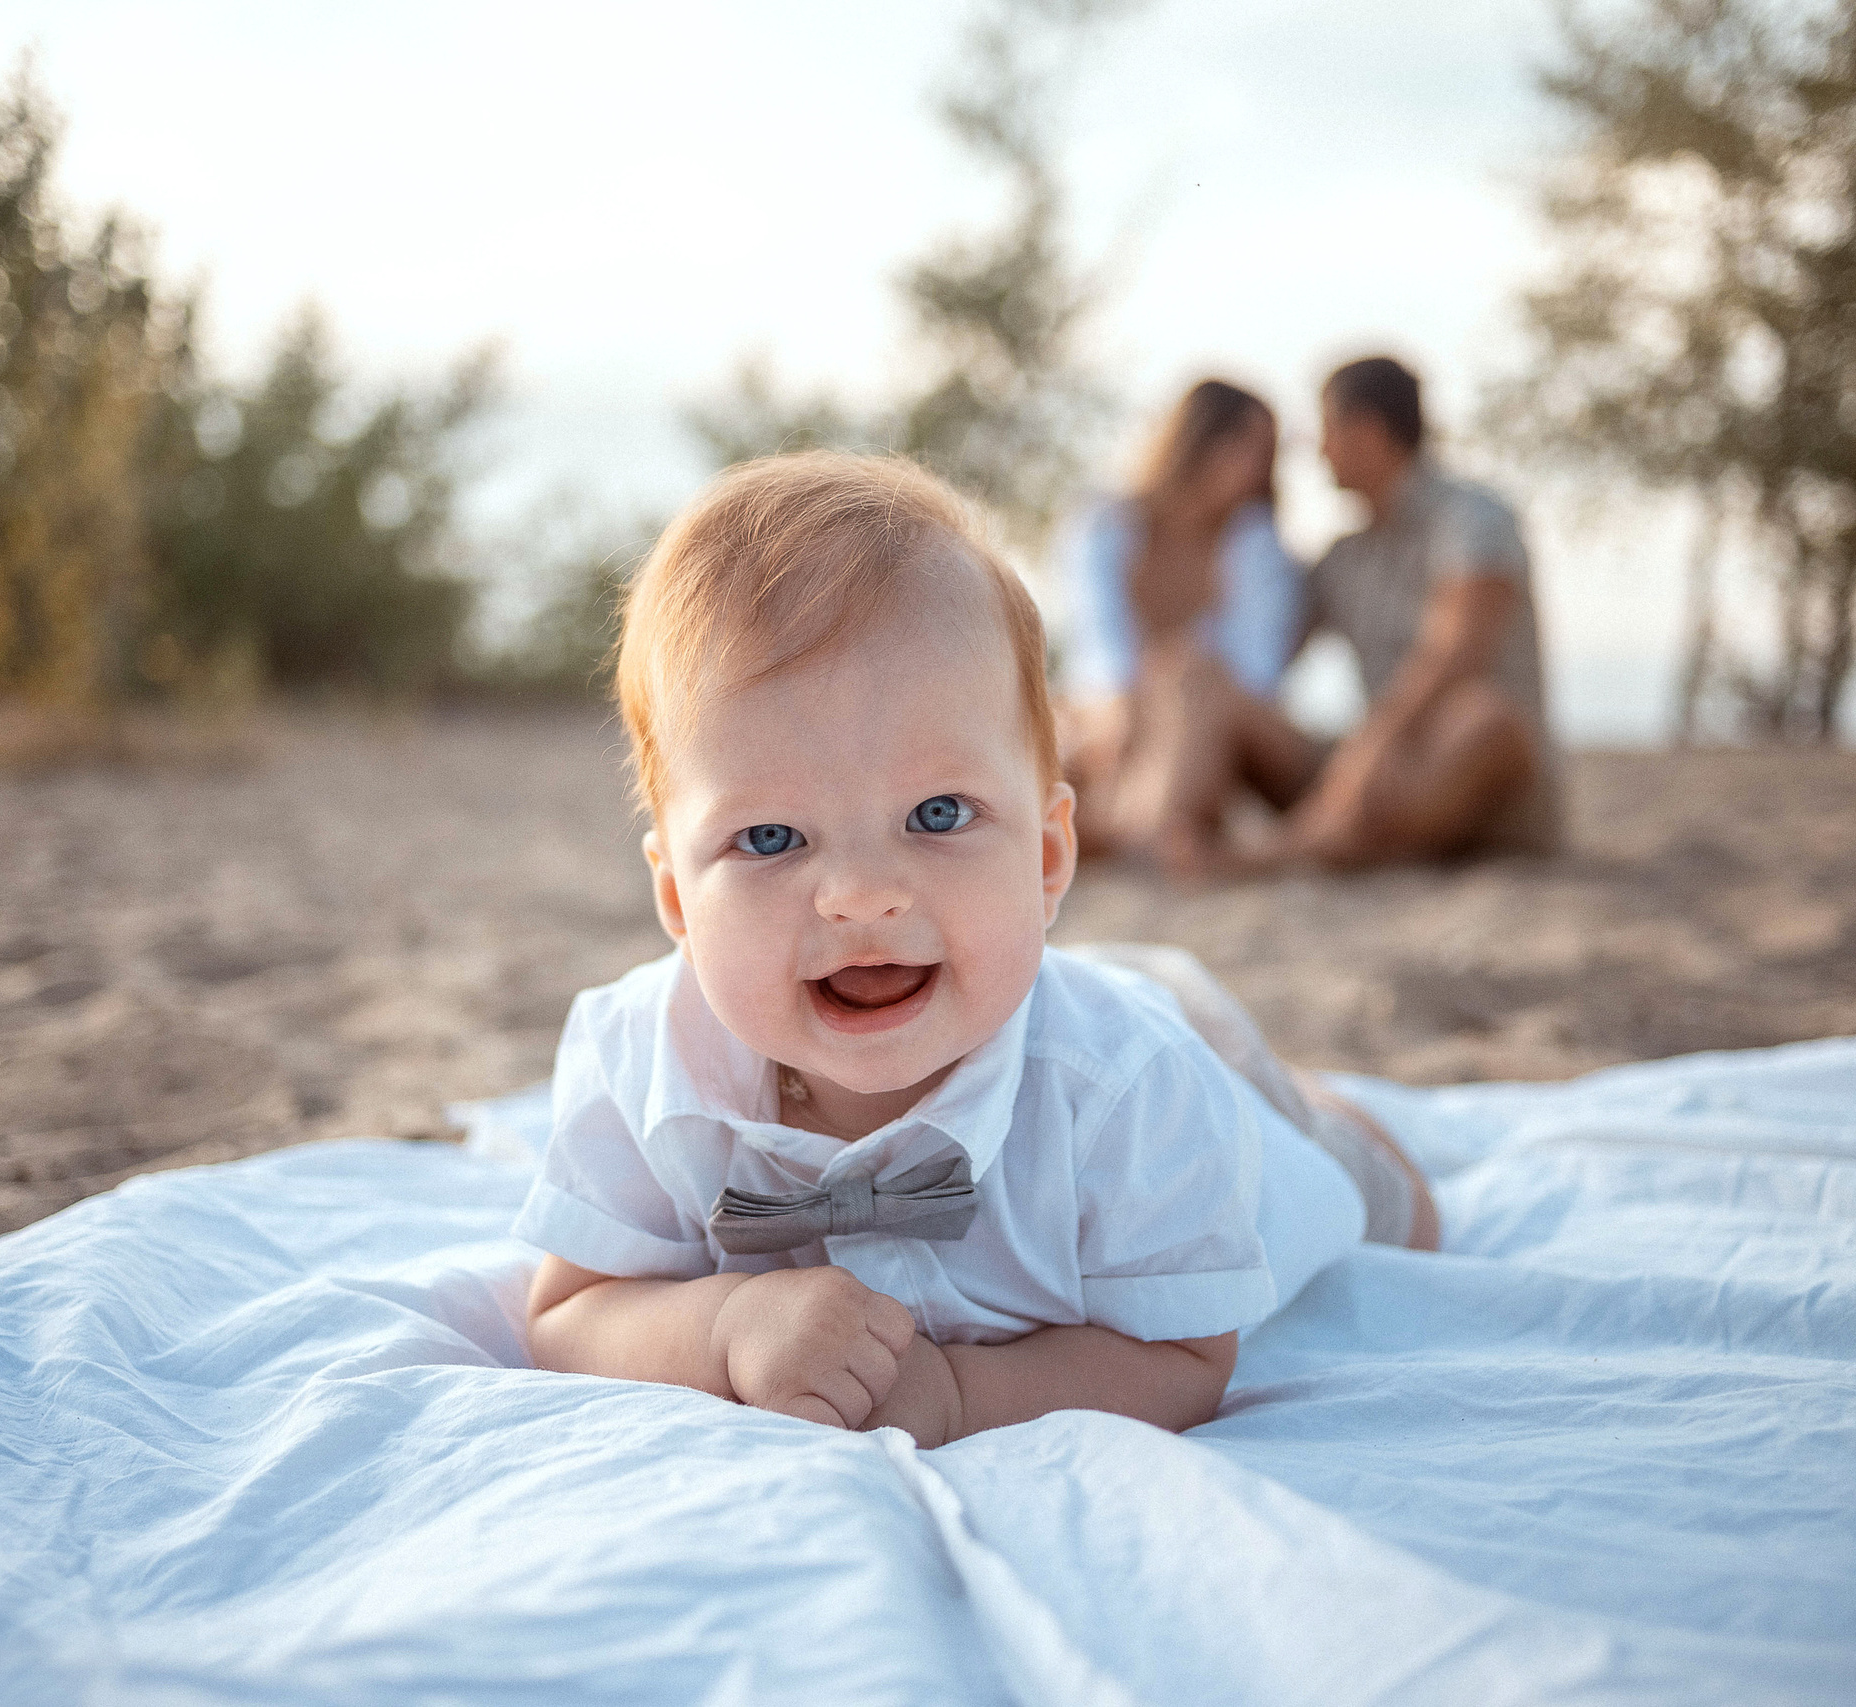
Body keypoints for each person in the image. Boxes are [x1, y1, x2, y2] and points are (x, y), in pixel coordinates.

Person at [516, 453, 1435, 1451]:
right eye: (771, 839)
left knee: (1373, 1198)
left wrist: (957, 1393)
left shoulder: (1130, 1095)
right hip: (1110, 1015)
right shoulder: (642, 1064)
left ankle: (1327, 1112)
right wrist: (723, 1323)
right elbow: (571, 1312)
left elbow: (1184, 1356)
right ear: (675, 900)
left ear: (1045, 859)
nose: (862, 896)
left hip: (1197, 1090)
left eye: (937, 814)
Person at [1270, 357, 1560, 866]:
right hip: (1387, 773)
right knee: (1204, 685)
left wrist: (1370, 748)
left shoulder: (1475, 519)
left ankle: (1287, 852)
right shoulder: (1345, 555)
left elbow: (1457, 651)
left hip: (1470, 771)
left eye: (1327, 430)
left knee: (1480, 717)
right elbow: (1265, 656)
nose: (1319, 452)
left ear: (1366, 430)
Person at [1055, 380, 1314, 876]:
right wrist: (1128, 704)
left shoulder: (1257, 543)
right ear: (1199, 442)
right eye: (1246, 447)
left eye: (1267, 452)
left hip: (1222, 721)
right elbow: (1097, 648)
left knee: (1191, 683)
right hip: (1114, 717)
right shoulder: (1102, 526)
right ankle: (1137, 827)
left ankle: (1131, 831)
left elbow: (1257, 672)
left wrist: (1165, 680)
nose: (1260, 467)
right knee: (1061, 723)